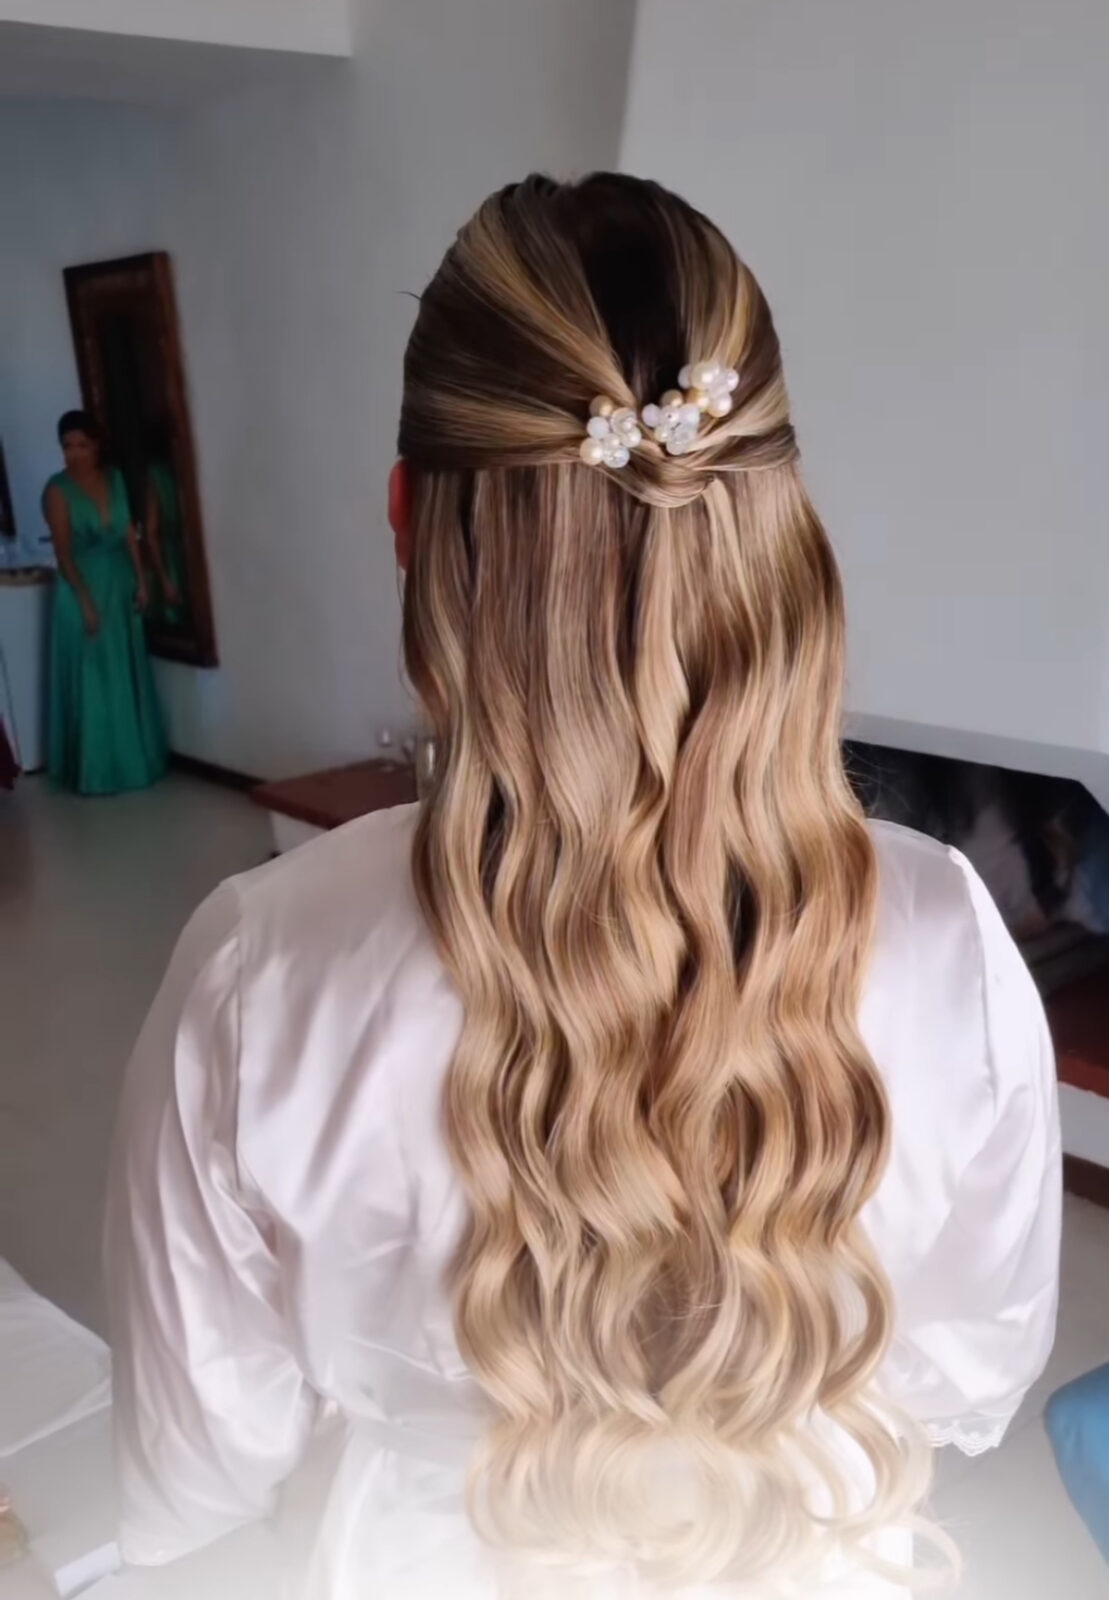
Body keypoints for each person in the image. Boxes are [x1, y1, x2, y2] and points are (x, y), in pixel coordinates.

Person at [106, 175, 1061, 1599]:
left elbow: (195, 1468)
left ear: (406, 519)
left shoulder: (261, 973)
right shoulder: (947, 939)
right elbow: (971, 1375)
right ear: (774, 522)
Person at [43, 411, 167, 795]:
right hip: (81, 586)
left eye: (81, 445)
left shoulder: (114, 479)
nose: (74, 453)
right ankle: (96, 770)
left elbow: (129, 532)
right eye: (67, 446)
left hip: (119, 584)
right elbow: (63, 554)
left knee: (123, 672)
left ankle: (133, 761)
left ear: (96, 445)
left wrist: (142, 580)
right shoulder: (57, 490)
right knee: (94, 677)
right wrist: (85, 602)